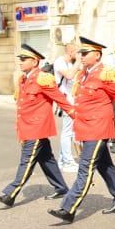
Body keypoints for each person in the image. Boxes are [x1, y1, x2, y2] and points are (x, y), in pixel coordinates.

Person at [48, 37, 115, 223]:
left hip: (98, 127)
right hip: (85, 126)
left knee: (85, 167)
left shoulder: (105, 74)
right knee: (105, 166)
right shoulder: (82, 74)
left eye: (85, 53)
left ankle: (68, 208)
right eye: (80, 53)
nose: (81, 56)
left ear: (97, 55)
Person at [0, 44, 74, 207]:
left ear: (35, 61)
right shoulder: (24, 79)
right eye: (21, 59)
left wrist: (78, 117)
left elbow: (60, 99)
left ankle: (10, 193)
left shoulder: (43, 78)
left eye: (24, 59)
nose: (21, 62)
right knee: (46, 159)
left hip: (36, 129)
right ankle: (61, 188)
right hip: (27, 127)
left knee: (26, 161)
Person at [52, 42, 80, 171]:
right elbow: (69, 75)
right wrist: (78, 61)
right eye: (77, 52)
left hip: (72, 100)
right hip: (65, 100)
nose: (79, 55)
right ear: (70, 52)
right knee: (67, 132)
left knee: (71, 131)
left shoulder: (71, 63)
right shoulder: (60, 62)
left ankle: (63, 161)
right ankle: (67, 161)